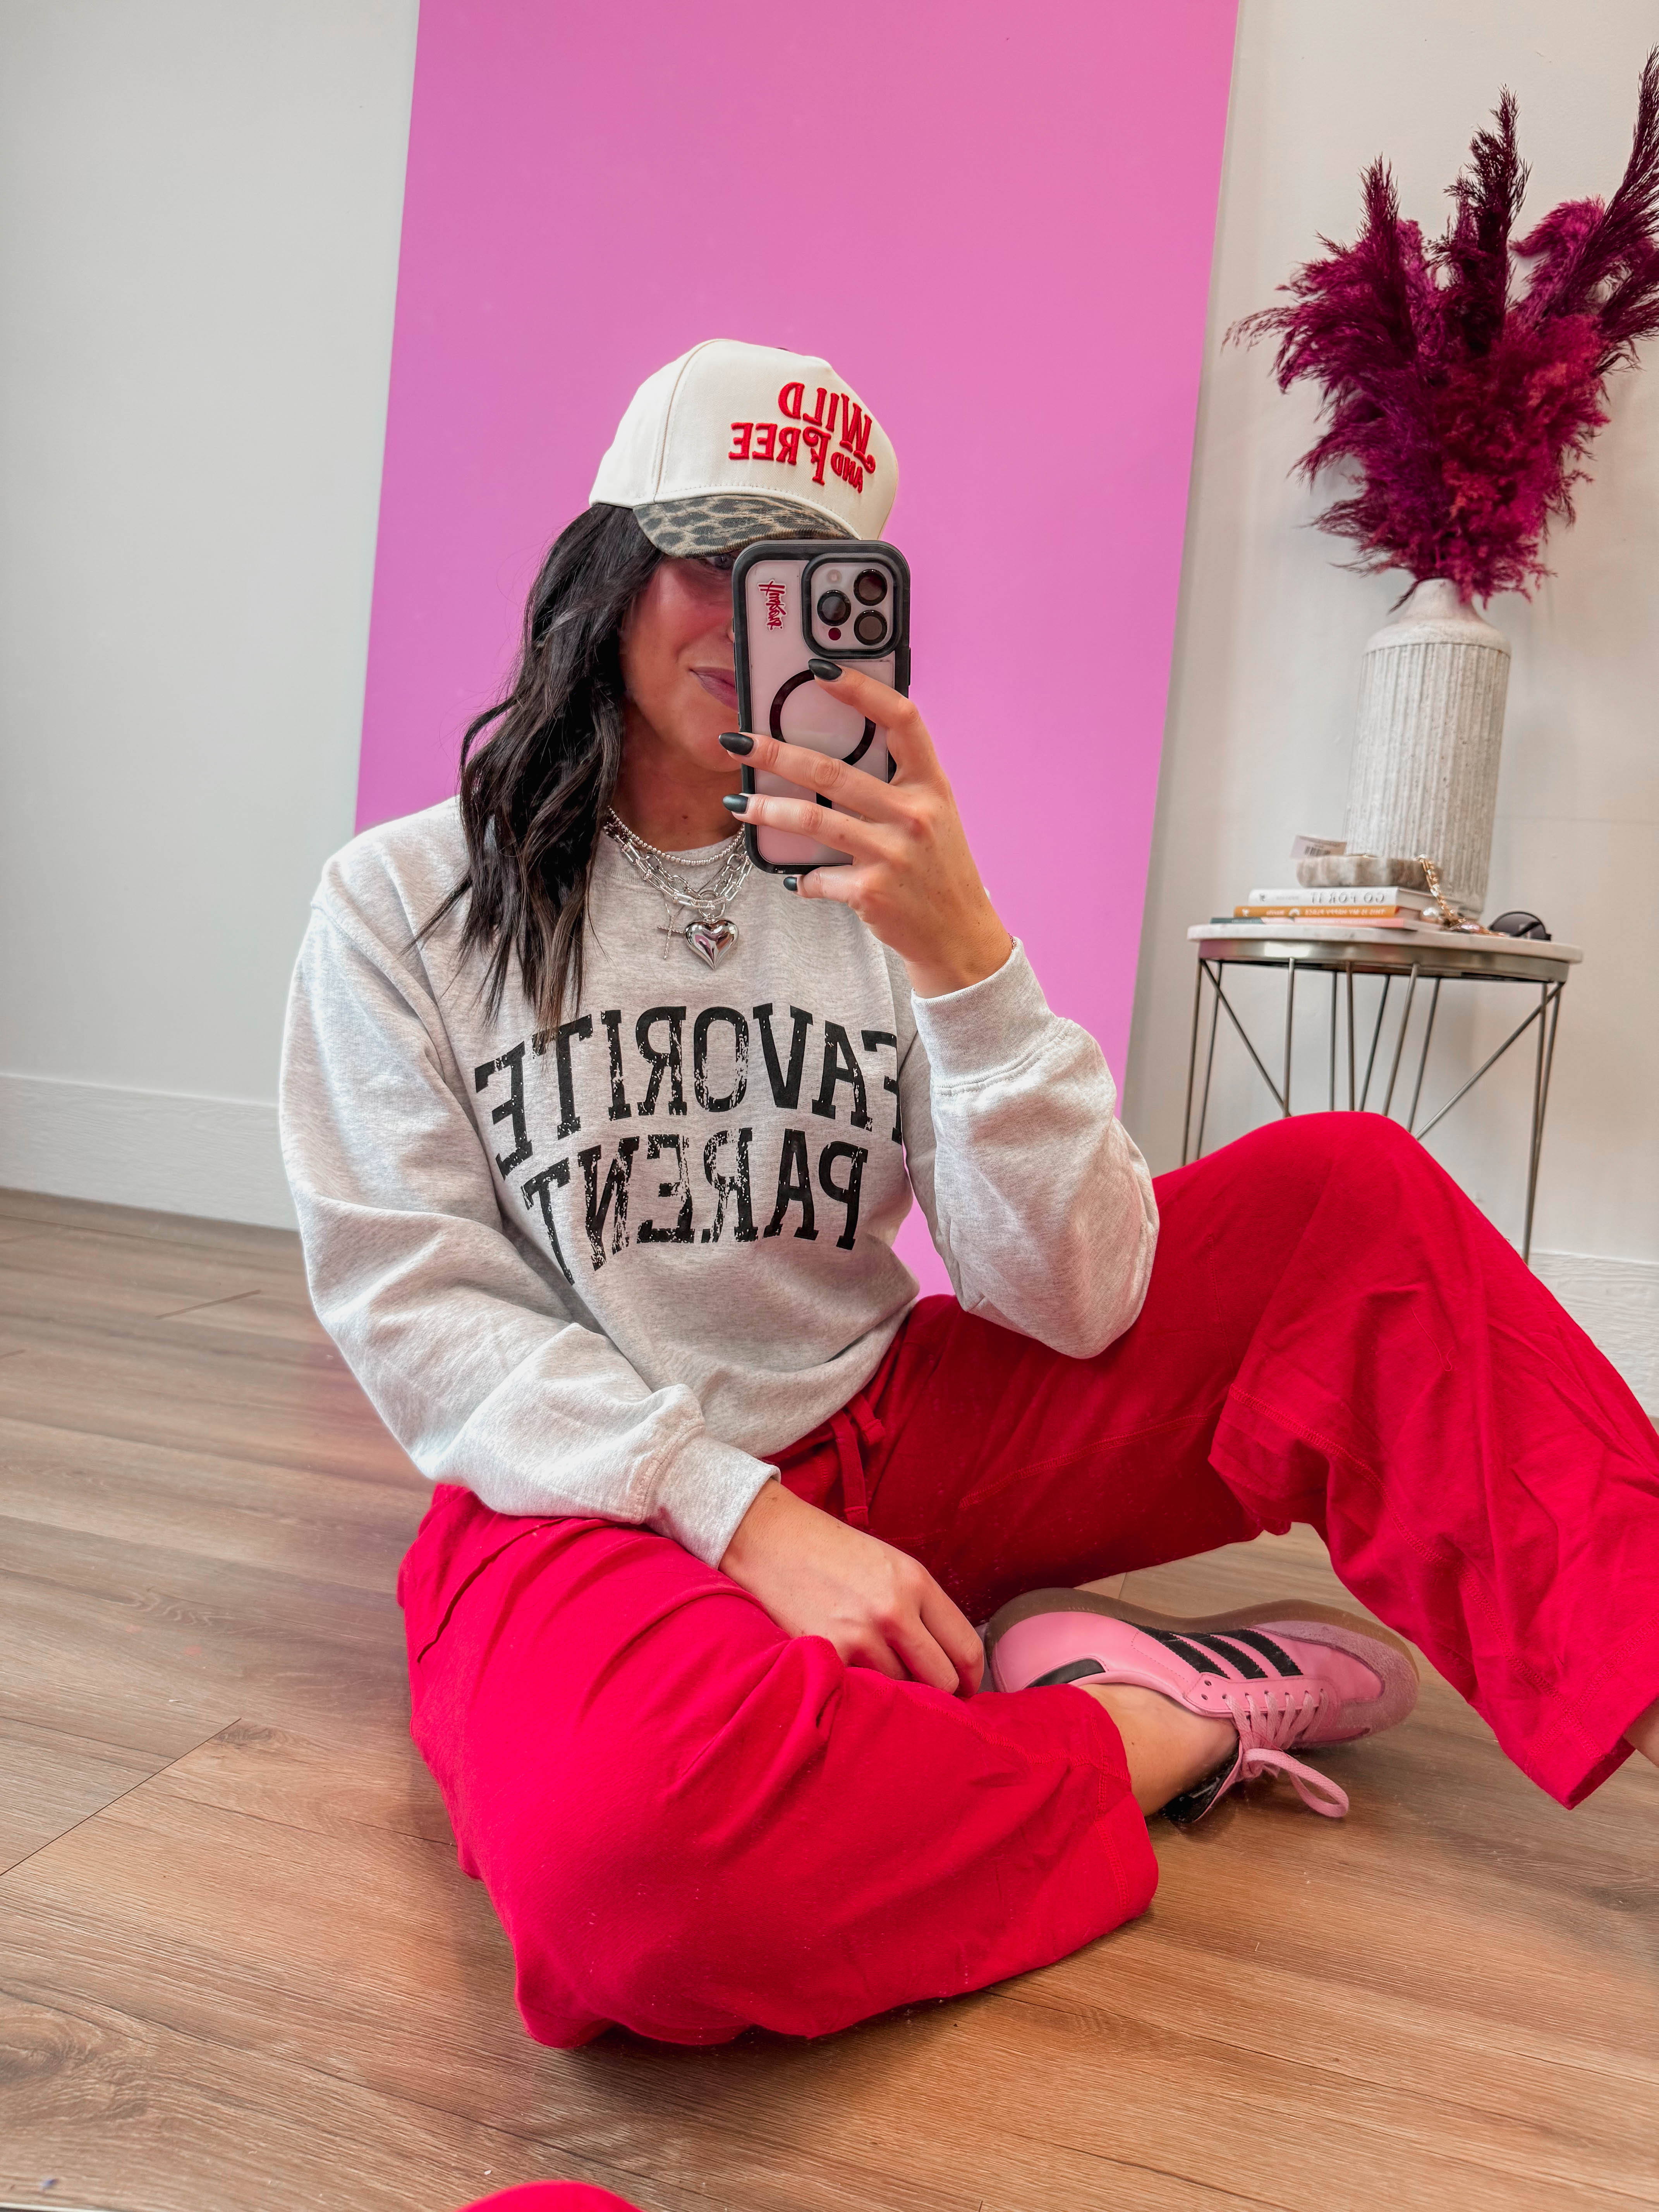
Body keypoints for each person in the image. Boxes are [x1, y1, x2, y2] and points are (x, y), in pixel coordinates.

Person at [280, 338, 1659, 2050]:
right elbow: (415, 1300)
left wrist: (969, 962)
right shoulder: (404, 905)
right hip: (591, 1497)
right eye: (708, 561)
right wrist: (738, 1515)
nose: (744, 626)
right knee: (632, 1871)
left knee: (1350, 1201)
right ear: (608, 569)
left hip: (893, 1435)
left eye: (809, 588)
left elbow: (1073, 1299)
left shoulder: (889, 876)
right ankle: (1154, 1723)